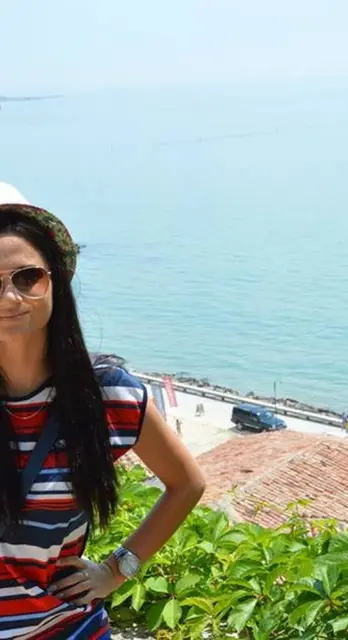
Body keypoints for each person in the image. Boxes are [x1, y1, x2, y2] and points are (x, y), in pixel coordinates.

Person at [0, 183, 206, 639]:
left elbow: (186, 483)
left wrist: (116, 570)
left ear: (55, 279)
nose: (11, 298)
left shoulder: (107, 396)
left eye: (27, 277)